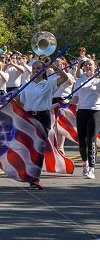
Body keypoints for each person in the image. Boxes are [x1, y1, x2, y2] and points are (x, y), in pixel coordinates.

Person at [19, 60, 68, 189]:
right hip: (29, 116)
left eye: (39, 68)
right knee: (29, 147)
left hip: (42, 117)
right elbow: (20, 101)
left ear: (44, 70)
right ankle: (28, 173)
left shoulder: (49, 83)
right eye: (34, 68)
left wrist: (55, 67)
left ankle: (35, 178)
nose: (35, 70)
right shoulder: (26, 84)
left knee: (38, 147)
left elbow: (64, 78)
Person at [72, 59, 100, 179]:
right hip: (81, 111)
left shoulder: (98, 80)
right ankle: (85, 163)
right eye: (86, 64)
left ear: (95, 67)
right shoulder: (79, 81)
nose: (88, 66)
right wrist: (65, 101)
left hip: (95, 110)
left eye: (90, 64)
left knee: (91, 139)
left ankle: (92, 169)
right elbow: (75, 98)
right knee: (82, 140)